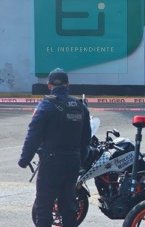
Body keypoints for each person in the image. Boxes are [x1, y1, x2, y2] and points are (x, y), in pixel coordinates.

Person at [18, 68, 91, 227]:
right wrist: (80, 158)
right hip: (72, 161)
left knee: (44, 206)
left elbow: (34, 134)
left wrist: (24, 159)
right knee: (69, 206)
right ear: (68, 85)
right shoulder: (80, 106)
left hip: (51, 162)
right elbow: (86, 139)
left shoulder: (47, 105)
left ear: (49, 85)